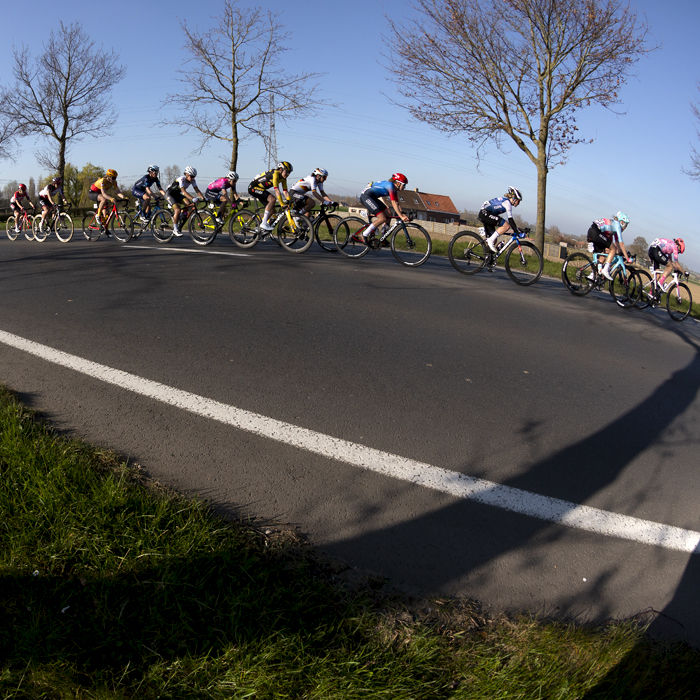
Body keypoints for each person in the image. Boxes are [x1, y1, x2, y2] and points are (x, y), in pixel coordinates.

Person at [359, 173, 410, 242]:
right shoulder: (390, 186)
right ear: (398, 183)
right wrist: (401, 216)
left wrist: (403, 214)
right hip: (366, 197)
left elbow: (397, 203)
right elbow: (394, 204)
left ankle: (382, 239)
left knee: (389, 214)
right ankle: (364, 235)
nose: (404, 187)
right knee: (382, 218)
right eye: (404, 185)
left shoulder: (394, 190)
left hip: (373, 198)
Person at [248, 161, 293, 231]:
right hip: (253, 187)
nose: (288, 174)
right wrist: (282, 204)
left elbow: (285, 191)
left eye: (289, 172)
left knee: (272, 210)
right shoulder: (275, 174)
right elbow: (277, 190)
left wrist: (290, 201)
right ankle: (264, 223)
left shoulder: (283, 178)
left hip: (261, 189)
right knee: (272, 199)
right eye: (287, 171)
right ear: (281, 169)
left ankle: (259, 227)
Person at [587, 212, 631, 280]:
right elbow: (621, 244)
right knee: (612, 249)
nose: (625, 227)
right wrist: (627, 257)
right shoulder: (618, 225)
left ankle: (592, 276)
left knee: (602, 258)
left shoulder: (614, 225)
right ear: (622, 222)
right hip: (596, 232)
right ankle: (605, 270)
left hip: (592, 230)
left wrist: (620, 252)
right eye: (626, 225)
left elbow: (617, 243)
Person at [479, 186, 524, 252]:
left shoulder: (505, 201)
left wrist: (517, 229)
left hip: (486, 213)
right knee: (506, 225)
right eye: (518, 201)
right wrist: (516, 231)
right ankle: (490, 240)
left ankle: (487, 259)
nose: (519, 203)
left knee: (494, 239)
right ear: (514, 198)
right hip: (485, 213)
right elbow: (510, 220)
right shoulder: (507, 203)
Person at [165, 166, 205, 236]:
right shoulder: (181, 179)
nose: (193, 178)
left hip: (177, 195)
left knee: (188, 204)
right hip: (170, 194)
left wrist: (203, 198)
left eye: (194, 177)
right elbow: (183, 192)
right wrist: (193, 198)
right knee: (177, 210)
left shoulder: (193, 180)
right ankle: (175, 229)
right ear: (187, 175)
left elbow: (197, 190)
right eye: (192, 176)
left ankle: (180, 215)